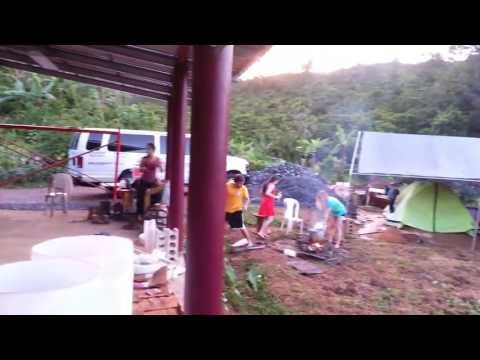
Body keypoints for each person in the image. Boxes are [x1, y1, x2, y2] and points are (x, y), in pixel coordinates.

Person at [135, 143, 162, 219]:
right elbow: (140, 168)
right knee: (141, 197)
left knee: (157, 194)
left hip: (153, 181)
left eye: (149, 149)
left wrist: (160, 167)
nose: (147, 151)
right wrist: (142, 169)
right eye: (146, 149)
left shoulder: (157, 159)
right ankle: (139, 214)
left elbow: (161, 170)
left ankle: (152, 211)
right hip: (144, 180)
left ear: (153, 150)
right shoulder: (144, 158)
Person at [225, 174, 253, 246]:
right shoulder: (227, 186)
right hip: (226, 210)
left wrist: (245, 205)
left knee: (241, 226)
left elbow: (247, 199)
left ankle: (249, 241)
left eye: (242, 183)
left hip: (237, 210)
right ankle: (219, 239)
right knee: (221, 224)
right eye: (239, 183)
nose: (241, 185)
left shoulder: (243, 188)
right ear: (235, 182)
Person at [256, 175, 282, 239]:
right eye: (277, 181)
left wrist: (274, 196)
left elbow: (262, 192)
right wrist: (276, 197)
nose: (277, 182)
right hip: (268, 203)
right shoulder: (272, 185)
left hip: (265, 202)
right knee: (270, 219)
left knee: (266, 219)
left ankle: (263, 233)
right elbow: (267, 193)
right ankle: (261, 232)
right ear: (276, 180)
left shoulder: (266, 184)